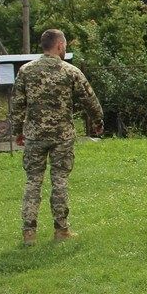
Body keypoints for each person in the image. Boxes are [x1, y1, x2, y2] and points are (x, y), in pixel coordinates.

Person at [11, 29, 103, 245]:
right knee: (59, 181)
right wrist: (98, 122)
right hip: (62, 135)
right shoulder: (70, 71)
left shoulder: (26, 71)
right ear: (60, 45)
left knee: (33, 181)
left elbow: (17, 104)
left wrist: (17, 131)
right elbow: (89, 100)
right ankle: (61, 229)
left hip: (34, 135)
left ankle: (28, 233)